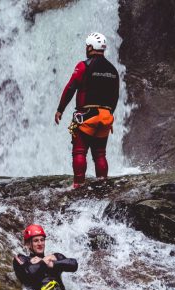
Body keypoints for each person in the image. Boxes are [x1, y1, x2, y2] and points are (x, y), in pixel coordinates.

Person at [55, 32, 120, 189]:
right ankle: (102, 183)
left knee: (79, 152)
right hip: (105, 116)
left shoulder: (84, 66)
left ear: (90, 47)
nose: (86, 48)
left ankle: (78, 184)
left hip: (87, 116)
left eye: (87, 46)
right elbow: (115, 96)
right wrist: (109, 114)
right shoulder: (113, 70)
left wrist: (60, 109)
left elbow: (70, 87)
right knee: (100, 154)